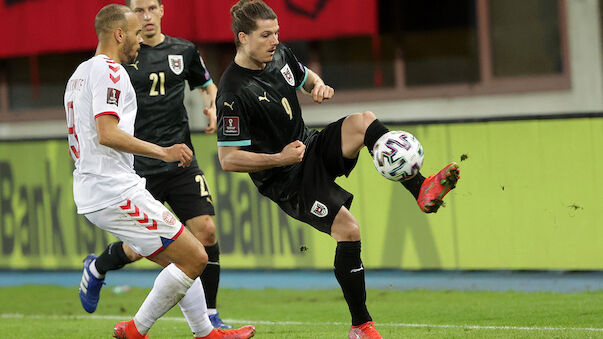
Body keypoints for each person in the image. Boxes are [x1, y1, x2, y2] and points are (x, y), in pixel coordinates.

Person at [216, 1, 460, 338]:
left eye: (277, 32)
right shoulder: (232, 91)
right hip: (287, 179)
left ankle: (420, 188)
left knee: (365, 121)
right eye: (265, 34)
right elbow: (228, 159)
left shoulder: (280, 55)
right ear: (243, 38)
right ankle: (361, 325)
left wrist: (318, 85)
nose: (275, 40)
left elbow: (305, 77)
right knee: (349, 230)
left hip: (309, 147)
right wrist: (280, 159)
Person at [67, 4, 255, 339]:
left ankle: (205, 331)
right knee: (195, 256)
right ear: (119, 34)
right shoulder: (109, 71)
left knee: (183, 257)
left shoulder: (80, 73)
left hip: (101, 187)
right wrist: (162, 151)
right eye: (135, 32)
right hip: (115, 190)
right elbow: (107, 133)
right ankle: (136, 329)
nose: (141, 39)